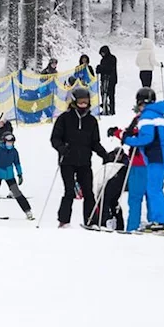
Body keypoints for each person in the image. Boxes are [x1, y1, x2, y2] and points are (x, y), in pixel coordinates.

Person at [50, 87, 107, 228]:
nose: (83, 105)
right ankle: (64, 221)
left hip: (84, 162)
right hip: (67, 161)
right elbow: (55, 138)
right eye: (80, 102)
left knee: (88, 192)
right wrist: (62, 148)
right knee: (69, 191)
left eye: (86, 102)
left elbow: (95, 142)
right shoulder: (64, 118)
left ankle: (91, 221)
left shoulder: (91, 121)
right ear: (74, 102)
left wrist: (104, 154)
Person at [123, 89, 164, 232]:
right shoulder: (159, 115)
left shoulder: (146, 116)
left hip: (155, 156)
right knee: (155, 188)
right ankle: (160, 219)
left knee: (153, 188)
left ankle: (162, 220)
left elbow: (146, 138)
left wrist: (127, 139)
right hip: (163, 155)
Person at [90, 129, 129, 229]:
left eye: (120, 154)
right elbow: (106, 169)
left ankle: (116, 224)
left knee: (111, 202)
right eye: (117, 154)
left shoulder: (126, 161)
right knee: (106, 201)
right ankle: (104, 221)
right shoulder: (109, 158)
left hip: (117, 184)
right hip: (109, 182)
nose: (118, 156)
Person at [97, 46, 118, 116]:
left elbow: (110, 68)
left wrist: (101, 68)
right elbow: (102, 69)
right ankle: (104, 108)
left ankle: (111, 109)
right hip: (104, 79)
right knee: (103, 94)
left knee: (111, 95)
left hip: (111, 79)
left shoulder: (112, 58)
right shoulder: (102, 60)